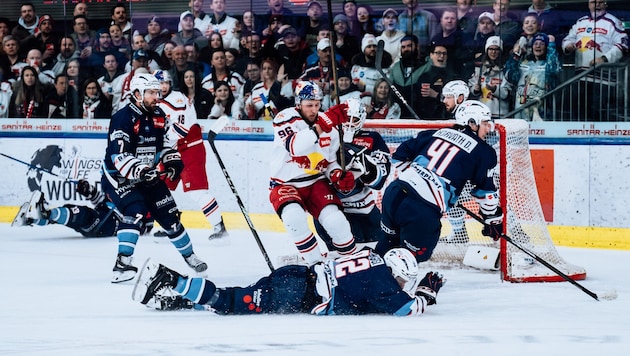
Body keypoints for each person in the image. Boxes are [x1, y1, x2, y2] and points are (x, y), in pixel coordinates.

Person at [101, 72, 208, 283]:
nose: (156, 96)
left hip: (147, 177)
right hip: (120, 179)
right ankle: (122, 264)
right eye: (151, 92)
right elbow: (119, 155)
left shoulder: (159, 114)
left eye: (157, 92)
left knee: (171, 217)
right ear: (137, 94)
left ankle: (190, 257)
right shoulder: (122, 118)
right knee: (136, 212)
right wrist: (140, 170)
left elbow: (166, 144)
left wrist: (172, 162)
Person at [134, 247, 445, 316]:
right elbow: (407, 309)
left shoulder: (372, 260)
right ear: (394, 269)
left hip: (296, 277)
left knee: (235, 297)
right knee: (229, 303)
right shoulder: (383, 280)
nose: (402, 285)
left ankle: (178, 299)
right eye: (403, 279)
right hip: (295, 292)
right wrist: (425, 293)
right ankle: (171, 279)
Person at [375, 100, 503, 262]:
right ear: (472, 123)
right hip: (421, 210)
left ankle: (367, 281)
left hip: (394, 194)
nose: (488, 129)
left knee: (387, 246)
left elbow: (399, 158)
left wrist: (424, 178)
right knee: (408, 260)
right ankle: (389, 287)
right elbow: (486, 194)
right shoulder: (484, 151)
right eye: (485, 123)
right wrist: (493, 219)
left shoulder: (434, 133)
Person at [269, 81, 358, 265]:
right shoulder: (284, 118)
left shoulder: (328, 123)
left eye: (317, 105)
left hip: (316, 181)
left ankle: (351, 263)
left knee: (337, 222)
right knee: (294, 218)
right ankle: (316, 265)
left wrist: (336, 175)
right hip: (286, 183)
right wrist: (321, 126)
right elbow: (295, 147)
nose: (314, 110)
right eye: (309, 105)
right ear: (298, 103)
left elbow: (331, 160)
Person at [154, 69, 228, 240]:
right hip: (172, 150)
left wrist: (159, 143)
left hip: (189, 149)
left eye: (166, 83)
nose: (163, 86)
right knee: (160, 188)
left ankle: (219, 225)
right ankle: (171, 224)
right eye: (160, 83)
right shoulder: (156, 101)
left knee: (196, 191)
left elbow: (179, 130)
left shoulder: (177, 99)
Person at [314, 98, 392, 251]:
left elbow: (379, 181)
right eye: (345, 119)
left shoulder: (372, 139)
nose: (349, 123)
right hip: (333, 212)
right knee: (342, 260)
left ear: (361, 120)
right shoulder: (325, 137)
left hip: (365, 212)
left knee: (376, 257)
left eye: (354, 119)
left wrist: (364, 164)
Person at [11, 181, 125, 238]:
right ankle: (31, 219)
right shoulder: (118, 196)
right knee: (69, 210)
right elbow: (100, 201)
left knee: (80, 213)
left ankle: (45, 213)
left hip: (108, 225)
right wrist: (88, 190)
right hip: (101, 220)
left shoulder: (135, 203)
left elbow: (140, 224)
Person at [506, 32, 560, 120]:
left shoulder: (547, 65)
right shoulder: (524, 64)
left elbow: (554, 69)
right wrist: (516, 53)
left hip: (541, 110)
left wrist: (551, 46)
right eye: (535, 44)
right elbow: (510, 75)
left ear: (546, 47)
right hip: (520, 109)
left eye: (542, 44)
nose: (538, 46)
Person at [468, 36, 511, 118]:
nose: (493, 52)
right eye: (491, 49)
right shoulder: (479, 68)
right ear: (486, 50)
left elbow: (507, 93)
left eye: (496, 49)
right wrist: (475, 90)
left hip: (500, 114)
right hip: (481, 114)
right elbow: (470, 87)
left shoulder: (505, 69)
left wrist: (495, 89)